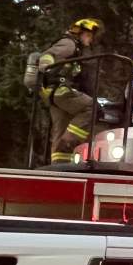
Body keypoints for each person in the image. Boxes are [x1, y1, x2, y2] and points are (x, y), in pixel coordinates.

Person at [38, 18, 103, 164]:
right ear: (79, 33)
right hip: (60, 91)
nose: (90, 39)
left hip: (52, 94)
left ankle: (59, 166)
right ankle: (69, 141)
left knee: (60, 130)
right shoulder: (69, 44)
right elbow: (47, 55)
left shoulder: (75, 49)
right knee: (92, 108)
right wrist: (45, 70)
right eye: (88, 35)